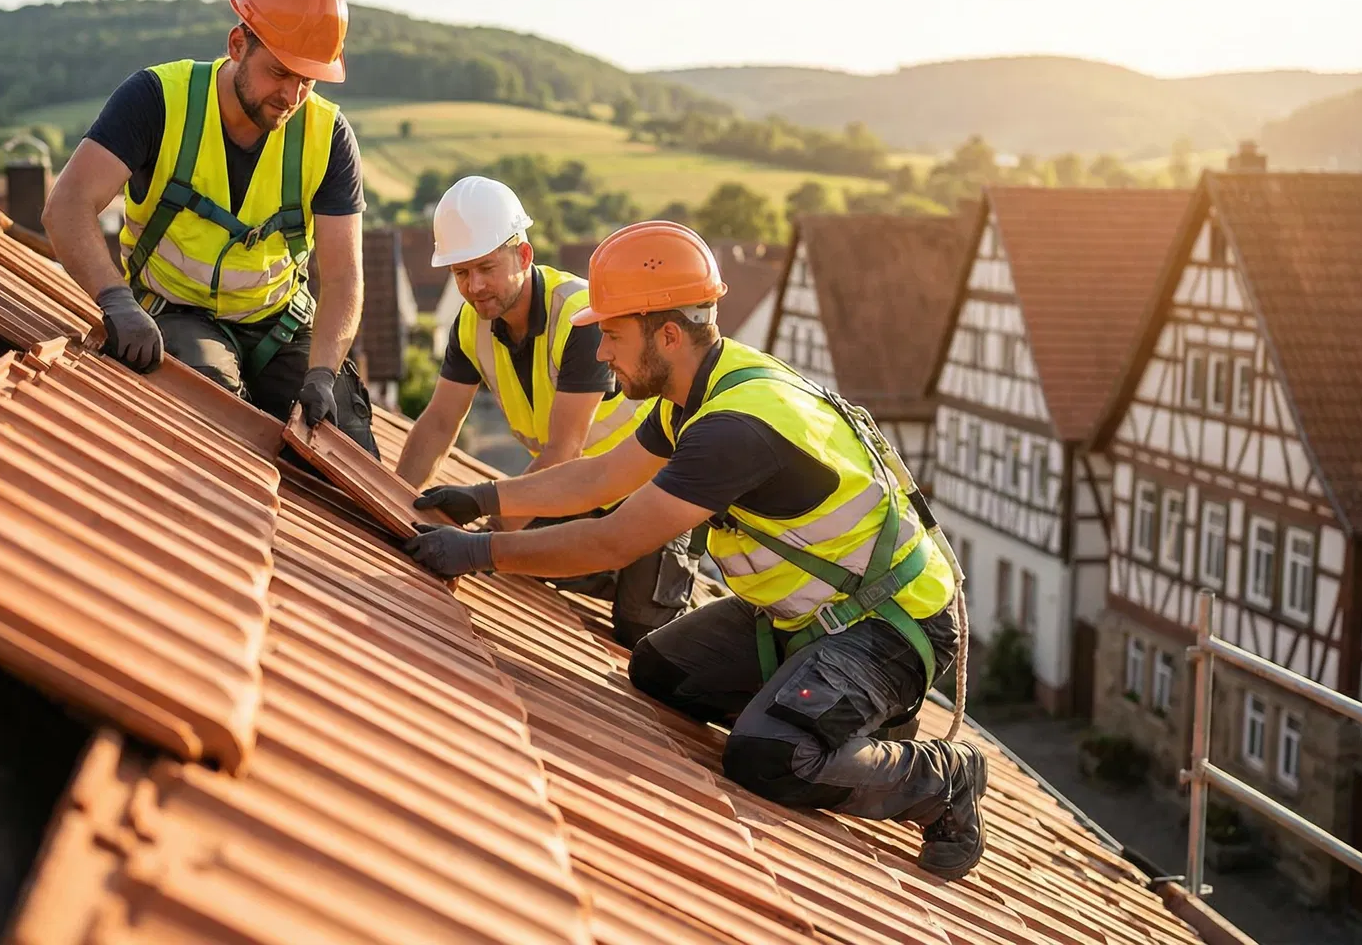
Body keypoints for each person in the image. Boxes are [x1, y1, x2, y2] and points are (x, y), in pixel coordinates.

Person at [402, 220, 986, 880]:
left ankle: (943, 779)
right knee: (659, 670)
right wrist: (483, 499)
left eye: (614, 335)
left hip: (891, 625)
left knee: (768, 755)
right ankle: (829, 712)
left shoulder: (733, 427)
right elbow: (600, 476)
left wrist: (478, 555)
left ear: (668, 334)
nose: (604, 352)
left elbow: (615, 537)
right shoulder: (696, 393)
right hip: (811, 618)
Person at [43, 0, 375, 452]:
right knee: (214, 427)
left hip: (278, 324)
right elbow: (66, 206)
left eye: (308, 80)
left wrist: (324, 370)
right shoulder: (156, 99)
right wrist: (116, 301)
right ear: (238, 44)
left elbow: (345, 277)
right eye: (280, 72)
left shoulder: (328, 137)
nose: (292, 95)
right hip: (177, 315)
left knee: (344, 446)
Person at [395, 177, 686, 645]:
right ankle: (602, 565)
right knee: (523, 562)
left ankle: (643, 572)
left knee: (641, 634)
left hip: (650, 494)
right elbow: (439, 421)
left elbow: (564, 450)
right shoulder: (472, 326)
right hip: (568, 493)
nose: (475, 286)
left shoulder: (580, 316)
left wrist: (480, 541)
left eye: (486, 268)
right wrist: (397, 501)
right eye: (461, 273)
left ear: (524, 256)